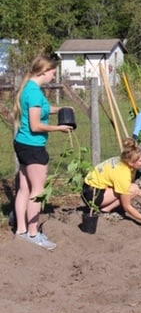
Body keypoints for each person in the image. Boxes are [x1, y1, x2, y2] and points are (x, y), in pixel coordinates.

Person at [12, 53, 74, 250]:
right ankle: (33, 233)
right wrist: (59, 128)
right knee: (37, 191)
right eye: (53, 73)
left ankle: (21, 230)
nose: (53, 77)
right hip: (33, 146)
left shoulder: (29, 88)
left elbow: (41, 110)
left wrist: (60, 109)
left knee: (24, 188)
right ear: (44, 71)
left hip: (22, 143)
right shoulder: (35, 93)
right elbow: (36, 125)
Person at [82, 138, 141, 225]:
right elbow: (127, 206)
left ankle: (104, 209)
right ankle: (104, 211)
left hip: (91, 187)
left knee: (132, 188)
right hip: (92, 194)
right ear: (131, 163)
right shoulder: (123, 173)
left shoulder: (125, 161)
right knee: (132, 189)